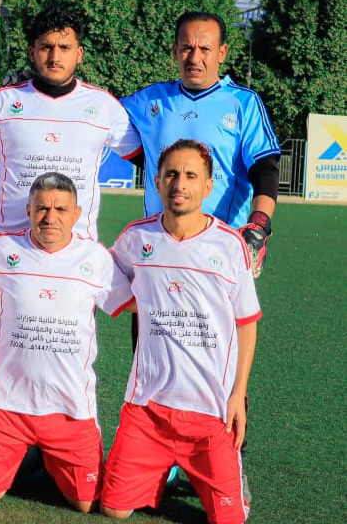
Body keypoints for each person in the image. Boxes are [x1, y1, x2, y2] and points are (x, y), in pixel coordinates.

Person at [0, 6, 140, 408]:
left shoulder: (103, 107)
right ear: (32, 51)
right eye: (46, 46)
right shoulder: (5, 102)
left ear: (79, 53)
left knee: (67, 347)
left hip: (75, 252)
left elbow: (147, 158)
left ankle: (62, 433)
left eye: (64, 47)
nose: (55, 55)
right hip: (11, 248)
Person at [101, 139, 260, 524]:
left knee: (230, 520)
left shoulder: (229, 245)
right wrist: (139, 301)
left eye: (191, 175)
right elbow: (105, 272)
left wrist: (238, 394)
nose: (179, 184)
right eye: (171, 174)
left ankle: (225, 468)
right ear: (157, 182)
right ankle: (158, 472)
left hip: (211, 412)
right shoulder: (137, 238)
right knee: (114, 508)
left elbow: (247, 322)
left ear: (208, 186)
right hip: (147, 408)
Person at [0, 172, 131, 513]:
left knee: (87, 503)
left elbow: (134, 303)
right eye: (41, 208)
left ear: (77, 214)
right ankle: (27, 457)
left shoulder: (96, 259)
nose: (50, 217)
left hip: (70, 408)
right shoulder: (0, 251)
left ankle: (45, 459)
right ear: (28, 209)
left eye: (60, 209)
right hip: (7, 405)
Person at [120, 11, 280, 277]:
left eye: (205, 49)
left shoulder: (243, 103)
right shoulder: (149, 101)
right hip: (157, 250)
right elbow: (101, 118)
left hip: (220, 252)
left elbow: (265, 168)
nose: (194, 58)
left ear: (222, 53)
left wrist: (259, 226)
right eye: (187, 48)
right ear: (175, 50)